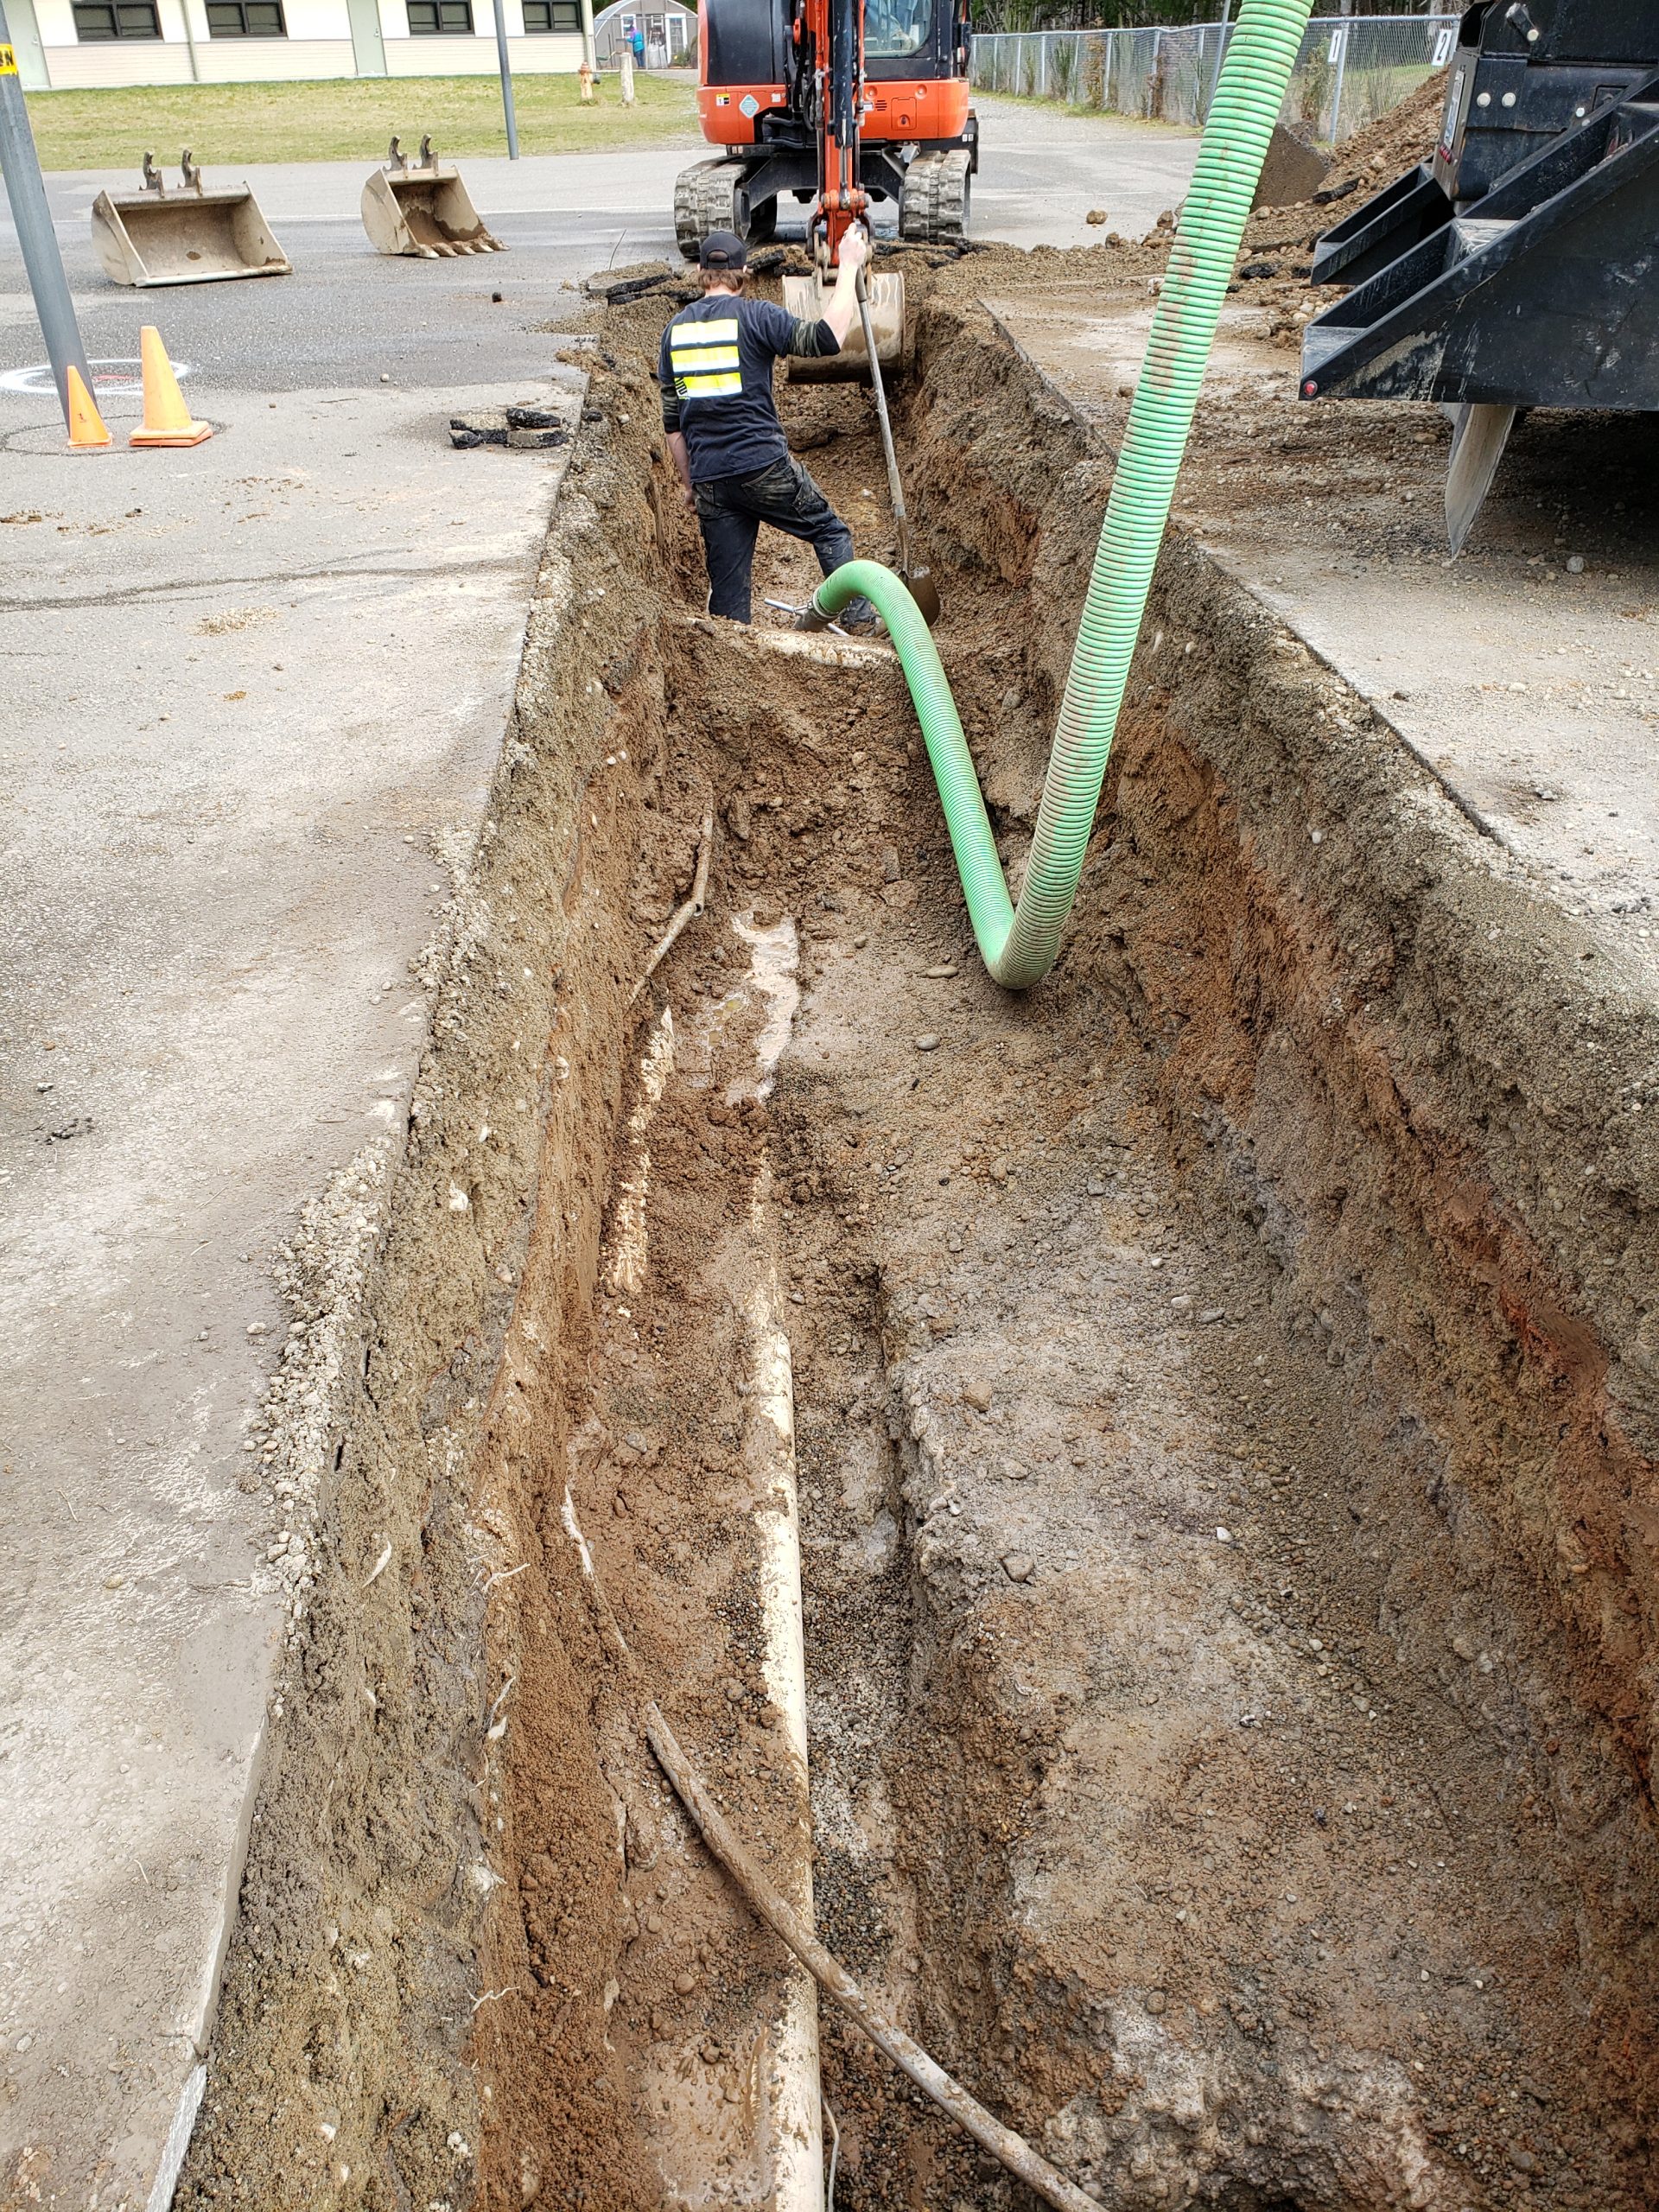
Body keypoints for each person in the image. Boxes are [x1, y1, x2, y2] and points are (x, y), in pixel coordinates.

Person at [659, 226, 874, 629]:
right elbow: (826, 339)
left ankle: (733, 668)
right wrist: (847, 266)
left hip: (710, 479)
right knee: (829, 532)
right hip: (763, 468)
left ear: (701, 272)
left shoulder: (674, 333)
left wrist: (691, 486)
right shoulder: (757, 316)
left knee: (727, 601)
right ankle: (858, 621)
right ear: (743, 271)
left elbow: (674, 428)